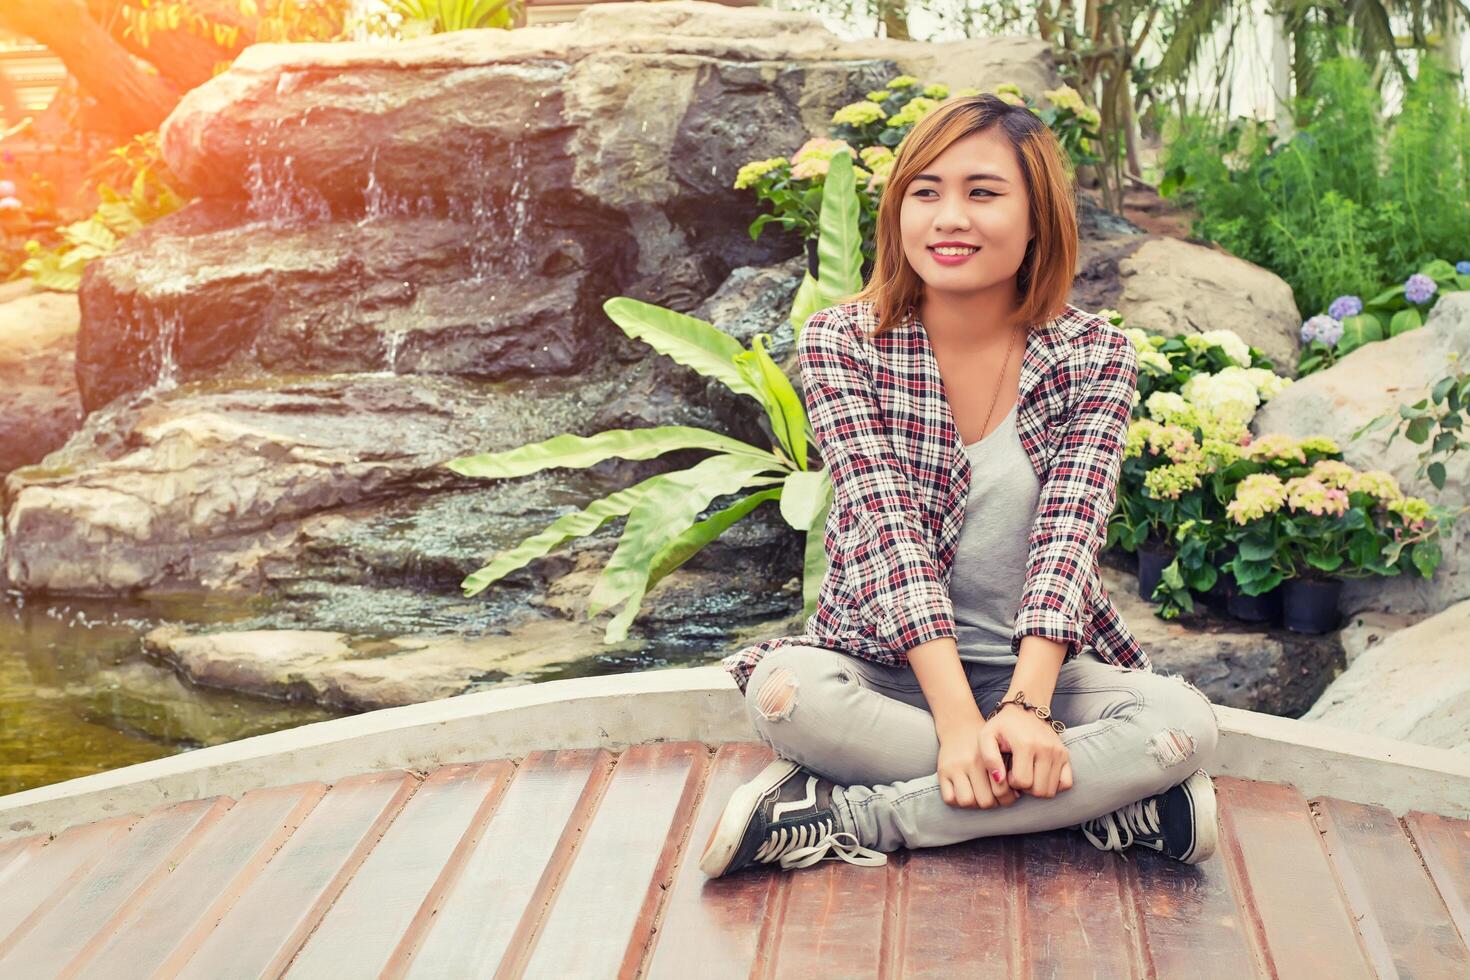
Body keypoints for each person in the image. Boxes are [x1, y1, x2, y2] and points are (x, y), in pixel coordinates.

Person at [700, 94, 1221, 879]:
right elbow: (885, 535)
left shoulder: (1096, 354)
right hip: (885, 667)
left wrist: (1026, 707)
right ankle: (1111, 803)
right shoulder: (844, 341)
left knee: (1181, 722)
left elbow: (1070, 538)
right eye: (926, 191)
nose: (950, 217)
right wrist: (954, 723)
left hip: (1040, 671)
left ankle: (852, 815)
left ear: (1037, 215)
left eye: (983, 193)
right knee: (787, 695)